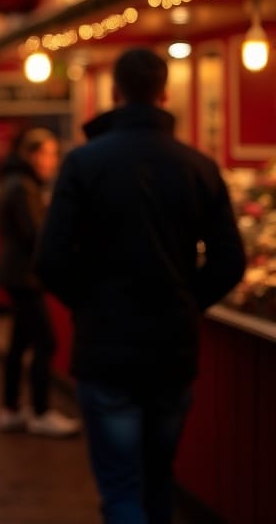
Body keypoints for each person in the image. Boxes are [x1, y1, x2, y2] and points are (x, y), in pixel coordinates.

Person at [35, 48, 246, 524]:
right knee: (158, 478)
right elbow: (230, 260)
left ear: (115, 92)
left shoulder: (83, 165)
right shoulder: (199, 167)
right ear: (164, 92)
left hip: (106, 346)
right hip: (172, 347)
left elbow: (49, 259)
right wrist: (187, 300)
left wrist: (88, 302)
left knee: (121, 485)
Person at [0, 127, 80, 438]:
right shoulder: (23, 186)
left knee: (19, 343)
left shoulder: (13, 181)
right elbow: (35, 234)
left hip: (16, 273)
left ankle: (11, 408)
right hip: (25, 275)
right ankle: (41, 411)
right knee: (45, 342)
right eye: (47, 153)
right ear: (31, 155)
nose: (52, 160)